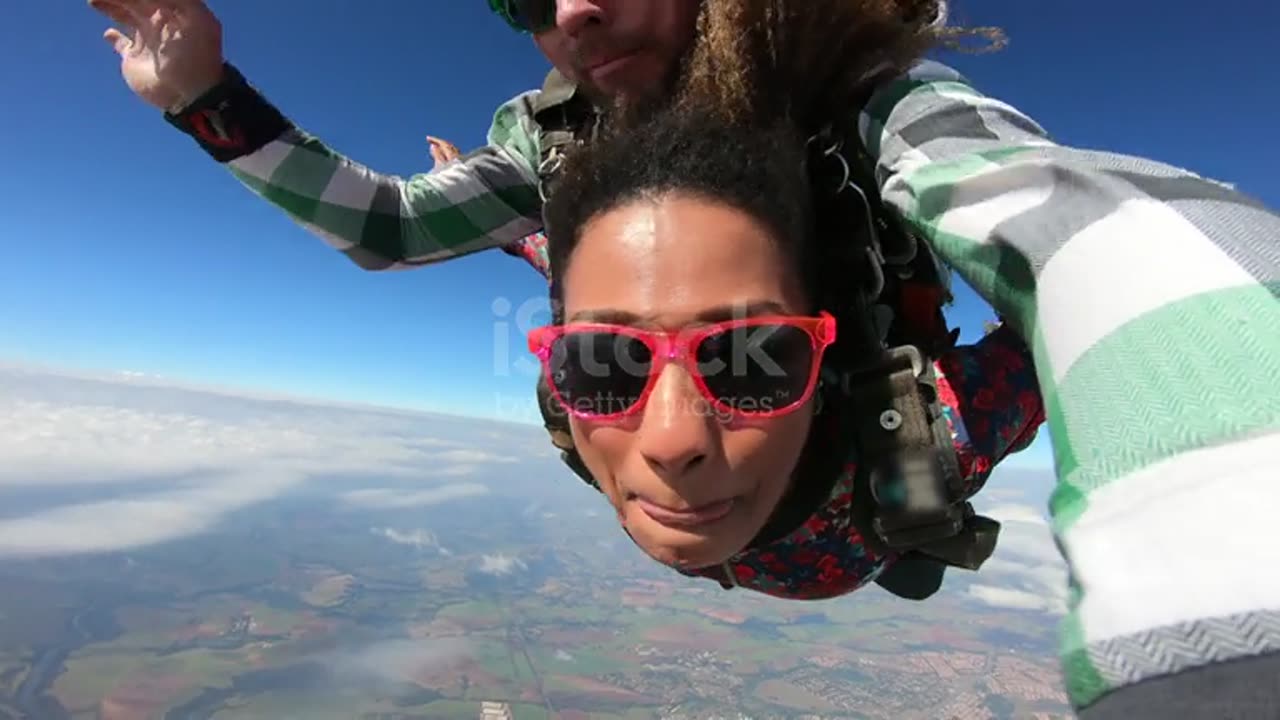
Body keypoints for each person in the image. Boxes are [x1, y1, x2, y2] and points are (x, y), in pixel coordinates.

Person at [88, 0, 1280, 716]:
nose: (570, 14)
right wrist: (204, 96)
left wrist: (1217, 627)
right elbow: (393, 226)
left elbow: (1079, 223)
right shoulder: (545, 136)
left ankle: (832, 442)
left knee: (949, 462)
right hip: (749, 511)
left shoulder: (874, 102)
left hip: (855, 501)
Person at [530, 96, 1044, 604]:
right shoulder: (586, 431)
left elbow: (1079, 301)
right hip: (837, 551)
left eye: (753, 361)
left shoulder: (925, 442)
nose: (671, 443)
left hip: (878, 523)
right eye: (605, 363)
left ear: (823, 363)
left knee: (916, 570)